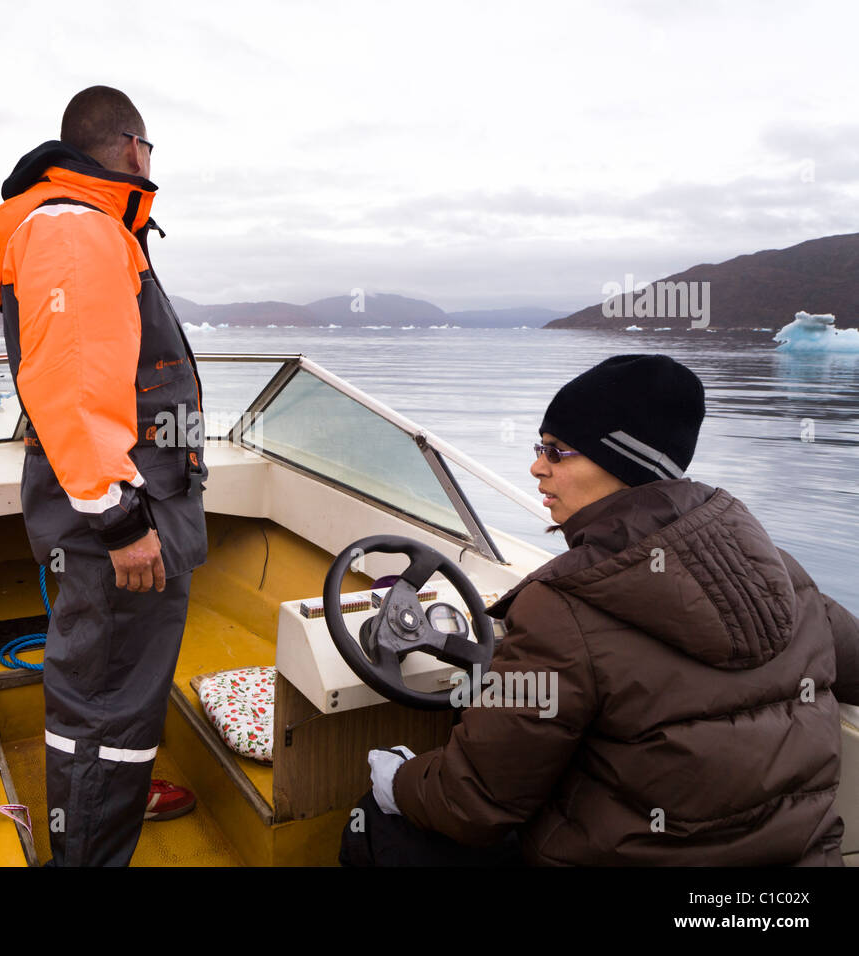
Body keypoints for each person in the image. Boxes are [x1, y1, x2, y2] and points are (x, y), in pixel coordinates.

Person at [342, 353, 859, 866]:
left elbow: (475, 804)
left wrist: (399, 781)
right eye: (538, 446)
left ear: (620, 463)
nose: (536, 466)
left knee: (377, 823)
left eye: (557, 451)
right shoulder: (784, 572)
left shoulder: (564, 605)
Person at [0, 87, 208, 865]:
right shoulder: (77, 228)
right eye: (152, 149)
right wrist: (121, 523)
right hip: (121, 525)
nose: (153, 163)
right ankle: (88, 843)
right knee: (106, 713)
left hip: (132, 509)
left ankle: (108, 805)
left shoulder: (86, 224)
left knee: (112, 699)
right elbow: (74, 392)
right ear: (131, 147)